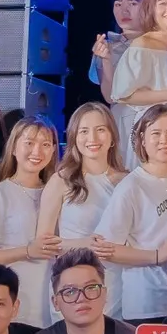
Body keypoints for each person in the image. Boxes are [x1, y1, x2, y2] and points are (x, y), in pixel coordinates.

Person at [96, 103, 167, 319]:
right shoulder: (131, 186)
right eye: (156, 133)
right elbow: (105, 249)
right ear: (142, 139)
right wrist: (157, 256)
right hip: (145, 303)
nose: (164, 140)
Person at [0, 117, 63, 326]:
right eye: (29, 143)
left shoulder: (61, 192)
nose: (37, 151)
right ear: (13, 147)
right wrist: (27, 251)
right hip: (16, 301)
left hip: (56, 303)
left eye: (45, 144)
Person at [38, 101, 126, 290]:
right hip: (74, 284)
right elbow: (43, 244)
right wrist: (84, 244)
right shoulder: (61, 180)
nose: (92, 138)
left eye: (100, 130)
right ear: (74, 138)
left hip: (120, 284)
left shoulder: (128, 181)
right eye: (84, 131)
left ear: (112, 136)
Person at [107, 0, 167, 153]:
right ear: (150, 8)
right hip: (149, 132)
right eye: (162, 3)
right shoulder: (142, 45)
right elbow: (124, 95)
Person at [85, 0, 150, 92]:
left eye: (133, 3)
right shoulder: (106, 47)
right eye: (118, 5)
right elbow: (110, 95)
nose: (124, 11)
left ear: (147, 7)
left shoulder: (159, 42)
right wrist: (105, 60)